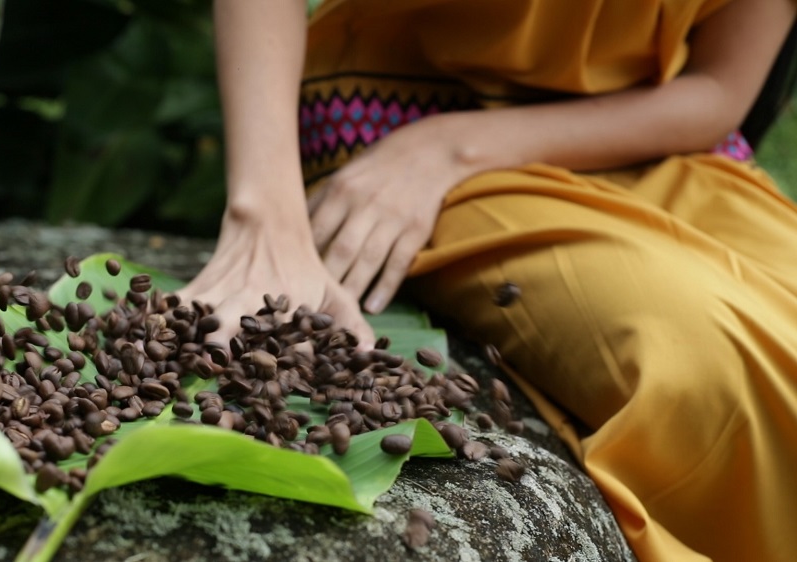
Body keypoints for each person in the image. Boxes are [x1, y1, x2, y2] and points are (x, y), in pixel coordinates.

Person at [178, 1, 797, 560]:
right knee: (705, 368)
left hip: (655, 145)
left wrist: (455, 147)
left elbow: (719, 86)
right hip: (391, 135)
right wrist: (266, 217)